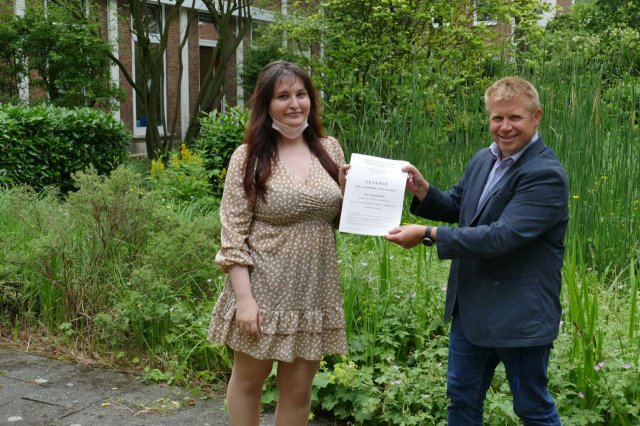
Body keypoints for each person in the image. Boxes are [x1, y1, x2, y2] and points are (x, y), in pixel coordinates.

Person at [385, 76, 568, 425]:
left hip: (520, 316)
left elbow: (501, 237)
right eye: (497, 118)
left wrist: (428, 234)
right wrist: (422, 190)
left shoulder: (545, 174)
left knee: (531, 408)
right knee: (461, 402)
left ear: (536, 117)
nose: (505, 127)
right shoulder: (484, 159)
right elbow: (459, 206)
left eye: (514, 117)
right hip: (471, 310)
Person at [207, 61, 348, 426]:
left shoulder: (330, 149)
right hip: (263, 290)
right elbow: (233, 235)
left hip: (313, 292)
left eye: (301, 94)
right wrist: (245, 301)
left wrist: (350, 194)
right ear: (266, 104)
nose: (294, 104)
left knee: (299, 390)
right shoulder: (249, 157)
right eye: (283, 96)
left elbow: (339, 222)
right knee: (250, 381)